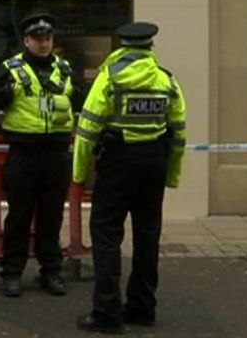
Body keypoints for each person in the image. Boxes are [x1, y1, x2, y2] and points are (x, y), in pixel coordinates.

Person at [72, 22, 187, 334]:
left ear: (122, 47)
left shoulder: (109, 78)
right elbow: (178, 132)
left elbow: (87, 129)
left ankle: (107, 313)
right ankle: (142, 307)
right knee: (147, 236)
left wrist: (79, 173)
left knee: (106, 234)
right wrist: (172, 174)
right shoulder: (166, 80)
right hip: (154, 164)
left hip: (118, 163)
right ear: (150, 47)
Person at [0, 13, 78, 298]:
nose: (44, 43)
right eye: (38, 39)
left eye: (47, 38)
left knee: (52, 216)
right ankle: (11, 273)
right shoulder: (11, 68)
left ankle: (51, 271)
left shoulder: (65, 69)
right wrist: (7, 93)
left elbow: (79, 99)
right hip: (24, 153)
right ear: (26, 41)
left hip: (56, 153)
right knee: (19, 217)